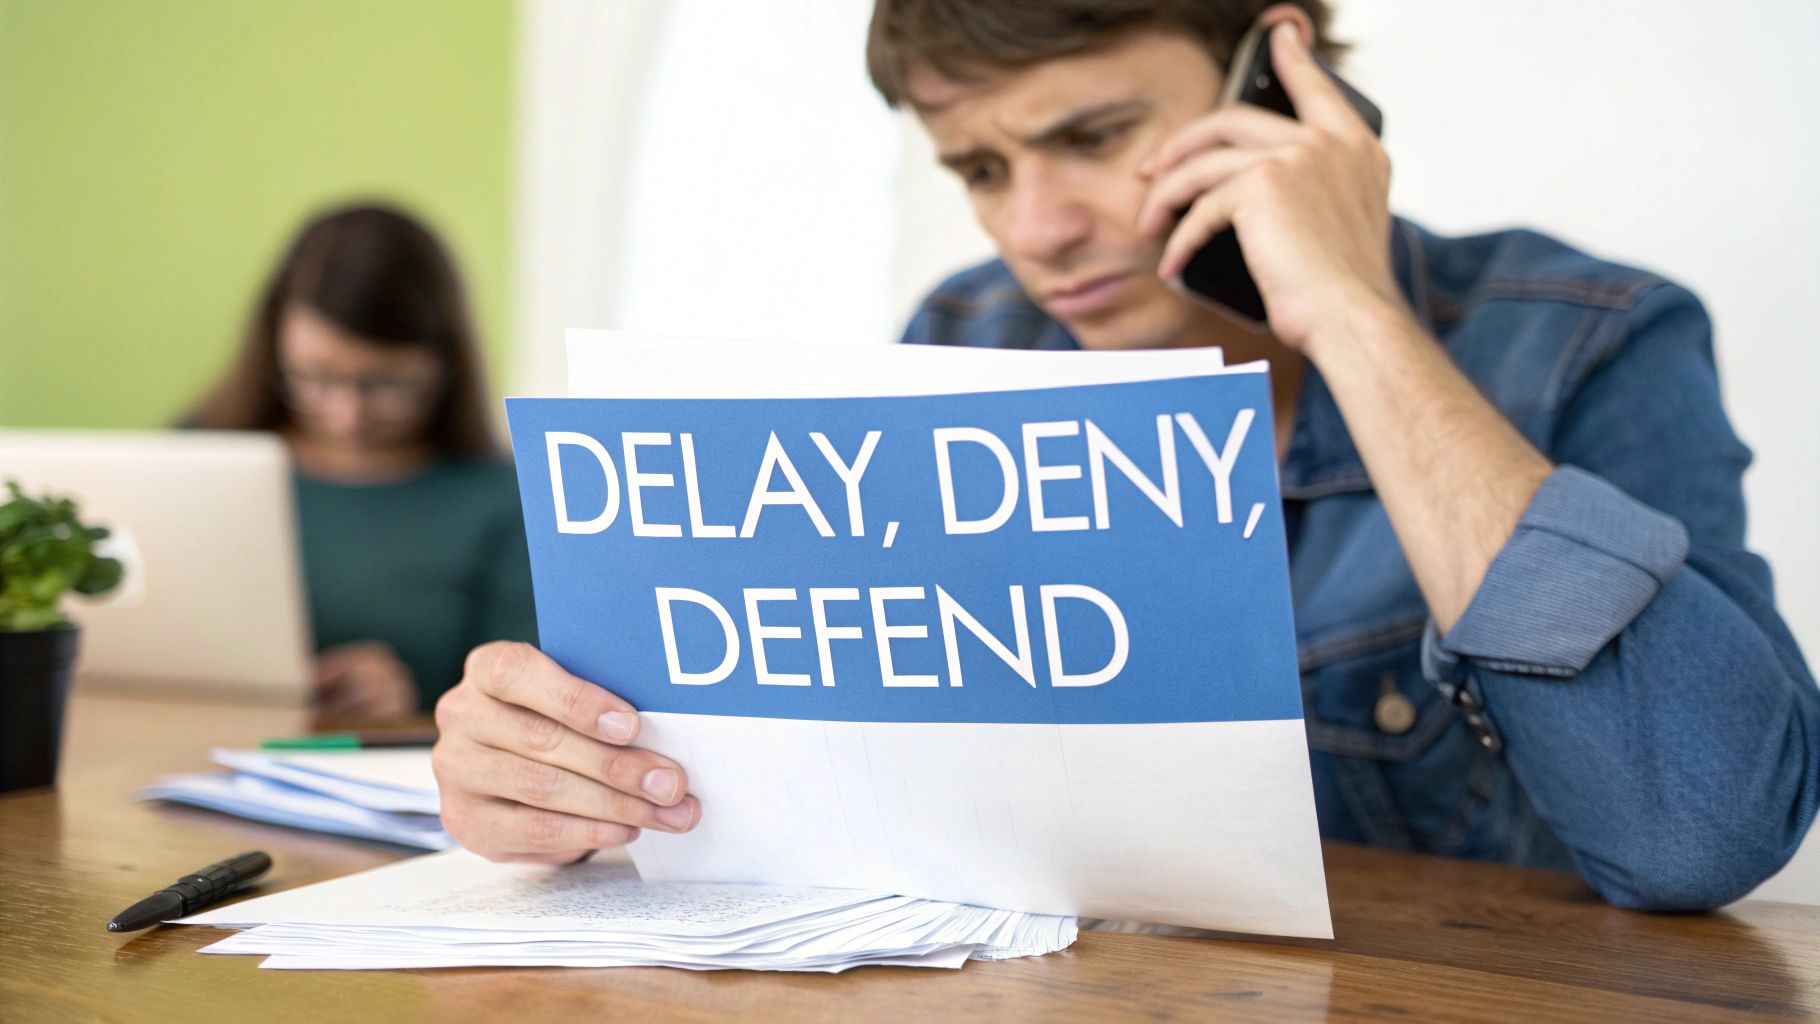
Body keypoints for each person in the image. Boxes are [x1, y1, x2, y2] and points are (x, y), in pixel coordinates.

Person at [428, 1, 1819, 909]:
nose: (1033, 230)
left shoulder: (1590, 343)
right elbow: (849, 795)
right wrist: (567, 769)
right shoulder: (966, 340)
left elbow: (1699, 831)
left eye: (1092, 136)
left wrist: (1345, 310)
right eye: (978, 168)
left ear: (1282, 78)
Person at [192, 203, 537, 718]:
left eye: (386, 383)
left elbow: (523, 705)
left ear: (445, 366)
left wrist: (421, 708)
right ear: (274, 350)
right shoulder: (198, 459)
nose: (346, 415)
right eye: (316, 376)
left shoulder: (502, 498)